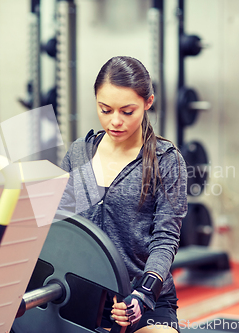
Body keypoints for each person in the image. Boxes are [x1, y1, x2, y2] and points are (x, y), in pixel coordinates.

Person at [58, 56, 187, 333]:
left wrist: (144, 294)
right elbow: (57, 224)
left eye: (127, 111)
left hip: (142, 299)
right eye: (105, 110)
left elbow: (165, 238)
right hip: (80, 295)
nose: (115, 121)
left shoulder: (166, 160)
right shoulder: (79, 153)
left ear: (148, 102)